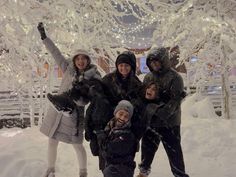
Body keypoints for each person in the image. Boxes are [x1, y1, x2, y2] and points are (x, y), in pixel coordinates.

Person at [37, 22, 100, 177]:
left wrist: (77, 98)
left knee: (77, 145)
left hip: (74, 115)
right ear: (74, 60)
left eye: (83, 59)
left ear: (88, 61)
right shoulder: (68, 68)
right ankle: (50, 169)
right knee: (52, 140)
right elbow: (55, 53)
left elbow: (88, 100)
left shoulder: (93, 77)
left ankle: (83, 172)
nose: (80, 61)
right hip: (56, 111)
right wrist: (45, 38)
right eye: (78, 58)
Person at [137, 47, 189, 177]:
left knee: (174, 152)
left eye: (157, 61)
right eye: (151, 61)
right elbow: (144, 99)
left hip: (170, 124)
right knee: (147, 150)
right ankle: (143, 172)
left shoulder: (175, 78)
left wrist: (153, 108)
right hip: (152, 122)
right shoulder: (148, 77)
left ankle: (180, 175)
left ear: (164, 61)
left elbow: (171, 106)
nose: (154, 64)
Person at [96, 100, 137, 177]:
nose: (122, 118)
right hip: (109, 170)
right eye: (120, 114)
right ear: (115, 113)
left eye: (126, 116)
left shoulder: (127, 135)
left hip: (121, 172)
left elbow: (109, 149)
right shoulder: (109, 128)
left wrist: (101, 138)